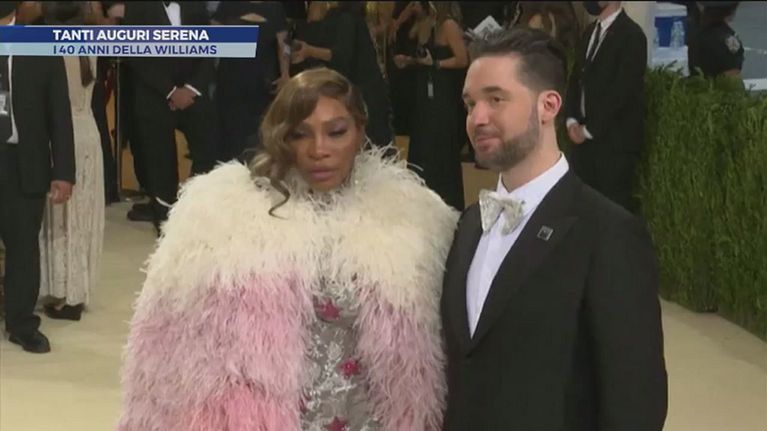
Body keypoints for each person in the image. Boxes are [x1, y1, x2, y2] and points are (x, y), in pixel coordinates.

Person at [118, 68, 458, 430]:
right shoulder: (222, 222)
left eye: (336, 132)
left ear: (360, 131)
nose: (319, 150)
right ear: (280, 137)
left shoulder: (413, 224)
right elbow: (166, 355)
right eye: (299, 134)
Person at [441, 28, 667, 430]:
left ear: (548, 106)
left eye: (496, 99)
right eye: (470, 103)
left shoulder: (608, 233)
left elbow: (636, 403)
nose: (477, 118)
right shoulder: (470, 224)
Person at [0, 2, 75, 353]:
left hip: (24, 162)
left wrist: (63, 172)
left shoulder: (40, 44)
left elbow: (59, 112)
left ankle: (21, 324)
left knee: (23, 247)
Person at [123, 1, 218, 236]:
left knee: (209, 150)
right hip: (155, 95)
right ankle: (165, 222)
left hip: (193, 94)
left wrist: (191, 89)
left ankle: (195, 210)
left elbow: (209, 47)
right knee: (159, 161)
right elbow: (136, 55)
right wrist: (170, 91)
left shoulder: (196, 6)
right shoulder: (137, 7)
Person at [38, 1, 104, 322]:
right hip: (88, 130)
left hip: (62, 134)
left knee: (63, 217)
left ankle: (66, 292)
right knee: (82, 213)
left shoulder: (51, 47)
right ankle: (77, 290)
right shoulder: (89, 41)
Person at [564, 1, 646, 214]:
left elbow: (622, 92)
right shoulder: (590, 32)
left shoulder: (632, 36)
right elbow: (576, 79)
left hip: (613, 146)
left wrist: (589, 130)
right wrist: (571, 120)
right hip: (582, 146)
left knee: (610, 213)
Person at [394, 1, 468, 210]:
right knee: (422, 141)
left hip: (442, 92)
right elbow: (420, 53)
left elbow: (462, 59)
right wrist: (408, 60)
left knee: (440, 142)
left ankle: (446, 200)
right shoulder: (425, 23)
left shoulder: (448, 25)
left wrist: (436, 64)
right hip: (423, 91)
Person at [291, 1, 394, 149]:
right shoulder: (339, 18)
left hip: (361, 93)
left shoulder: (346, 18)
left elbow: (341, 55)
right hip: (353, 90)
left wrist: (308, 50)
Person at [212, 1, 290, 162]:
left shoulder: (275, 7)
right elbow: (213, 38)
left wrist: (285, 75)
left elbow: (284, 45)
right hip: (230, 78)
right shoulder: (228, 4)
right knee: (229, 130)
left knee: (259, 131)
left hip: (262, 80)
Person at [688, 1, 744, 81]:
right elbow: (732, 82)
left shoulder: (694, 34)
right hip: (716, 88)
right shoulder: (729, 41)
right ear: (732, 11)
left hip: (693, 86)